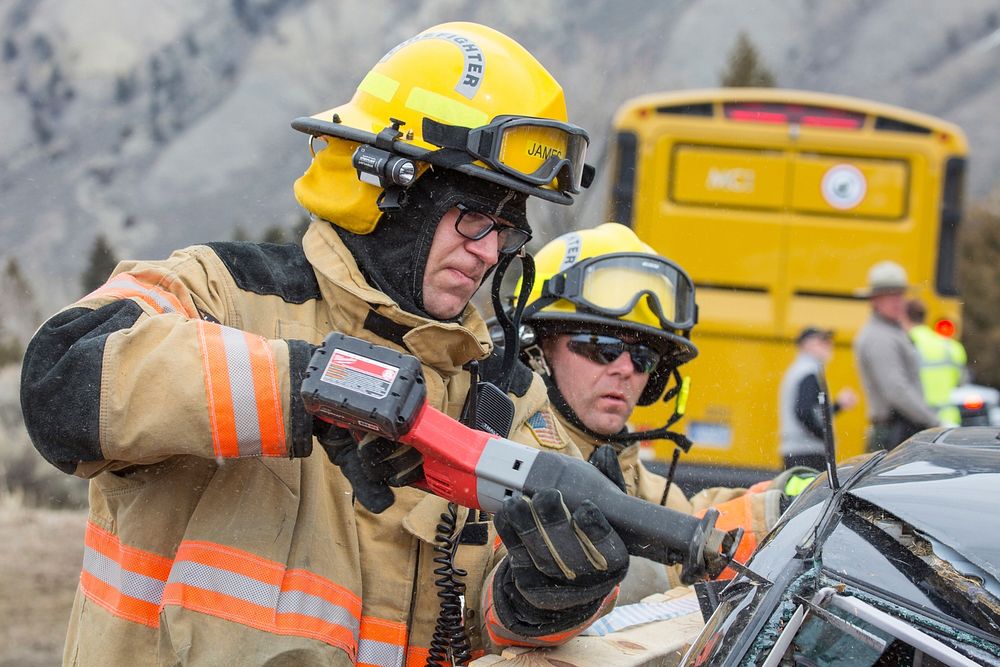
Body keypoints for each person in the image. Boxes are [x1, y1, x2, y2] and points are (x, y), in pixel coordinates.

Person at [19, 23, 624, 665]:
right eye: (473, 217)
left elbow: (490, 620)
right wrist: (307, 386)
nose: (487, 252)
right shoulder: (222, 293)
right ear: (390, 187)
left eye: (507, 230)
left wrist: (546, 597)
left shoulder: (506, 399)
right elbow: (62, 381)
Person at [511, 223, 811, 599]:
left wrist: (785, 499)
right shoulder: (508, 454)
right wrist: (681, 567)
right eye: (600, 345)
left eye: (643, 357)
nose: (625, 369)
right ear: (536, 350)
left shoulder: (622, 462)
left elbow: (679, 519)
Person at [853, 261, 940, 451]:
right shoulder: (880, 336)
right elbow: (896, 390)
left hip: (897, 430)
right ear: (874, 301)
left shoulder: (890, 331)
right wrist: (933, 421)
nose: (897, 301)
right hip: (894, 434)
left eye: (899, 295)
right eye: (889, 296)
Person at [778, 327, 858, 471]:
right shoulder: (807, 372)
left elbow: (811, 411)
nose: (828, 345)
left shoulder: (801, 370)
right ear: (805, 345)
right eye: (822, 341)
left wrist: (838, 406)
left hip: (799, 452)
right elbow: (804, 412)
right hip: (807, 453)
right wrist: (824, 437)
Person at [902, 298, 968, 426]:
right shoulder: (951, 347)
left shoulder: (907, 344)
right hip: (949, 419)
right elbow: (961, 382)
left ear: (904, 317)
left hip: (919, 421)